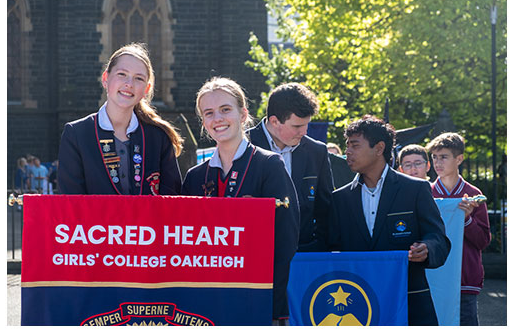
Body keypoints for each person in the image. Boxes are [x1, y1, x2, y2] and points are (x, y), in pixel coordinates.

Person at [181, 77, 300, 325]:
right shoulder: (195, 177)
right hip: (206, 304)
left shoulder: (269, 165)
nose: (218, 119)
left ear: (243, 114)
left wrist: (265, 295)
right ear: (203, 122)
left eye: (225, 109)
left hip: (257, 300)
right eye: (209, 113)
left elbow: (286, 241)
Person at [328, 115, 450, 326]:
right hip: (358, 304)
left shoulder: (415, 189)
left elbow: (438, 238)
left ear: (379, 148)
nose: (347, 151)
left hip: (409, 301)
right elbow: (328, 245)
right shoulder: (340, 198)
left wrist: (427, 248)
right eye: (346, 146)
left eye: (355, 145)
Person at [58, 43, 182, 195]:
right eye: (122, 74)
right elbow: (71, 201)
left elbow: (172, 201)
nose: (129, 84)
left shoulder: (159, 137)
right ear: (105, 78)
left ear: (146, 90)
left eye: (138, 78)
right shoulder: (77, 134)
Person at [247, 83, 333, 252]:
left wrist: (316, 249)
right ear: (274, 121)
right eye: (297, 126)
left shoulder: (317, 151)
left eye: (306, 124)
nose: (304, 132)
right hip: (252, 253)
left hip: (304, 257)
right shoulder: (242, 145)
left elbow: (326, 209)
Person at [426, 132, 491, 326]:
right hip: (433, 279)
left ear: (459, 159)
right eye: (435, 157)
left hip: (464, 281)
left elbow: (483, 241)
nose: (438, 163)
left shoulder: (473, 194)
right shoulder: (426, 192)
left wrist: (466, 220)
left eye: (444, 157)